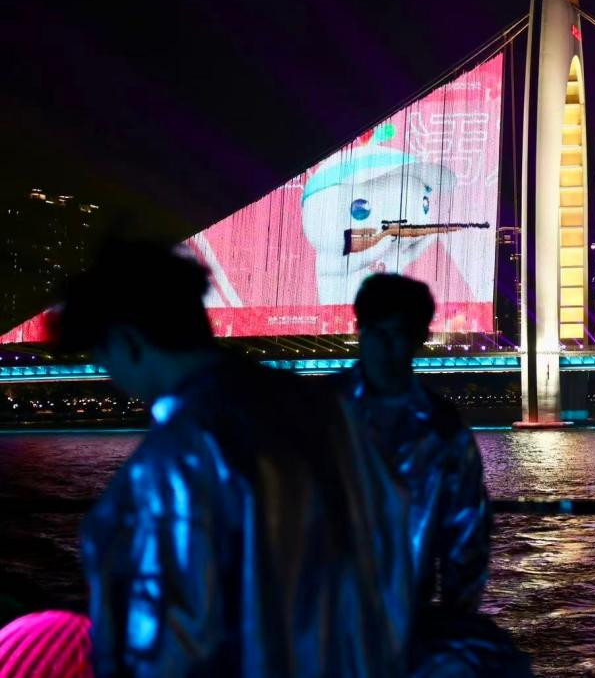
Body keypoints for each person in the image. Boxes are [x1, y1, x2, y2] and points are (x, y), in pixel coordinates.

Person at [56, 241, 412, 677]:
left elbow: (166, 639)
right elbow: (396, 555)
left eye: (102, 357)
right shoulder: (332, 411)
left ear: (127, 343)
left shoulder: (176, 457)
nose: (111, 376)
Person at [336, 273, 526, 677]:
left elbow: (467, 540)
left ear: (419, 339)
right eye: (376, 334)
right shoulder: (313, 415)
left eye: (398, 335)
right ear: (359, 333)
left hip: (404, 625)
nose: (386, 349)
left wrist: (452, 623)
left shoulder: (444, 431)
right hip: (317, 620)